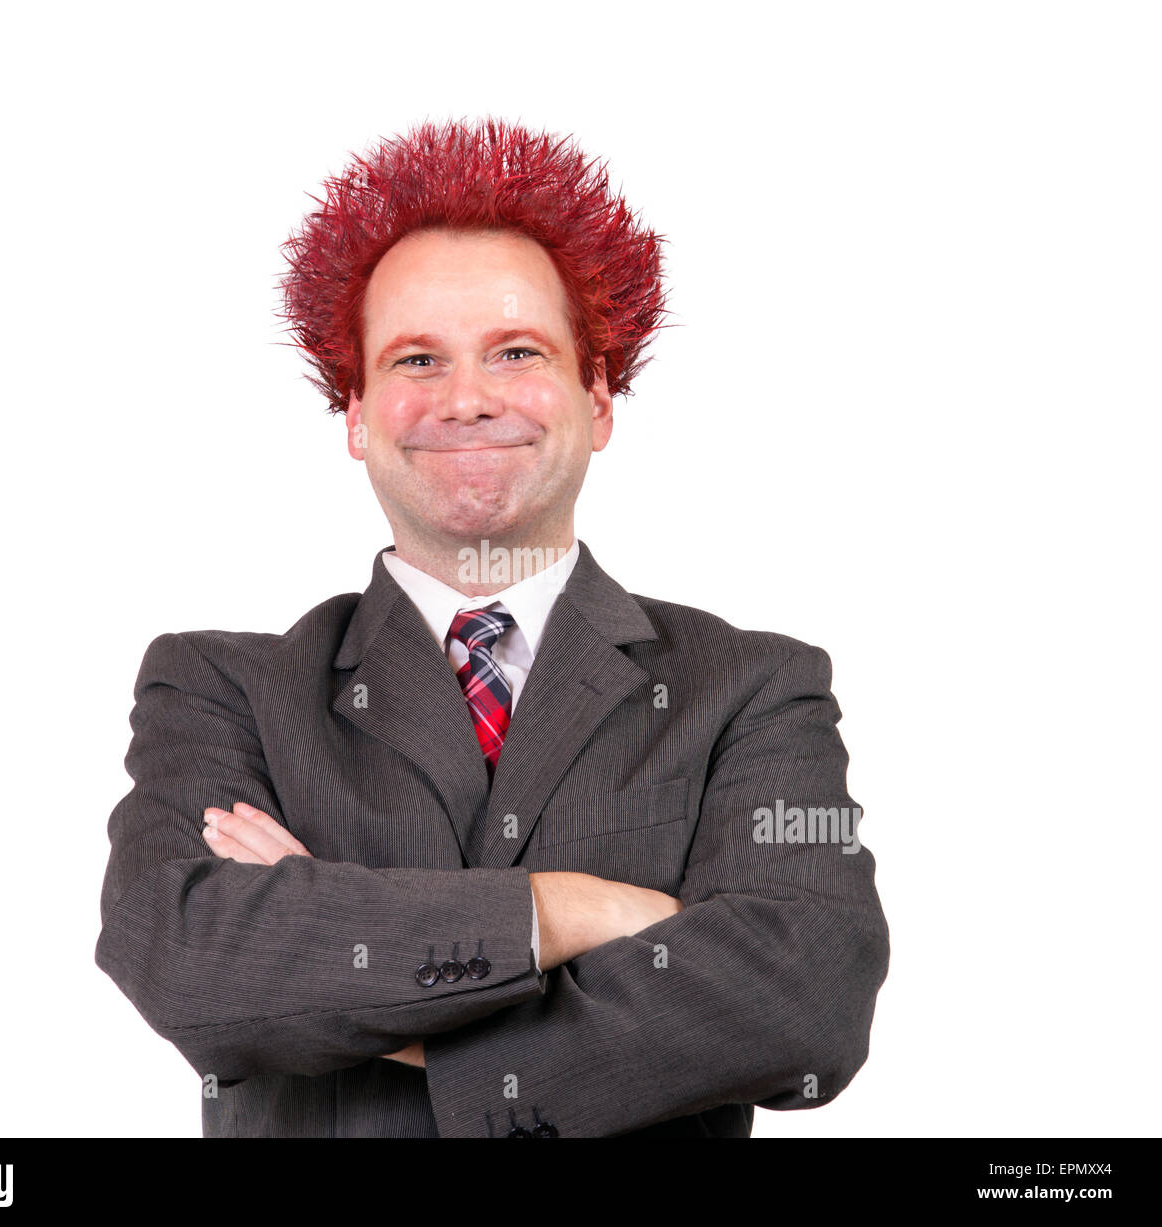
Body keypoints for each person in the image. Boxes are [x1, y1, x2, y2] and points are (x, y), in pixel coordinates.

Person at [95, 116, 890, 1138]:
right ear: (355, 412)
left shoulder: (752, 690)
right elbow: (180, 957)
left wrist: (333, 968)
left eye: (514, 351)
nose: (466, 399)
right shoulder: (220, 691)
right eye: (416, 360)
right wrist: (574, 912)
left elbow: (806, 997)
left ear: (597, 397)